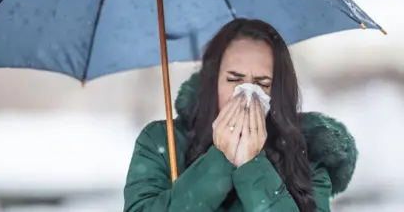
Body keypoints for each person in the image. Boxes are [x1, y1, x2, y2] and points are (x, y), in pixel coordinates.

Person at [123, 18, 357, 212]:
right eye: (234, 80)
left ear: (278, 92)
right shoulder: (163, 143)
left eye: (262, 84)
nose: (246, 95)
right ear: (212, 81)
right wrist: (219, 160)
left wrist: (252, 164)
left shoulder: (307, 153)